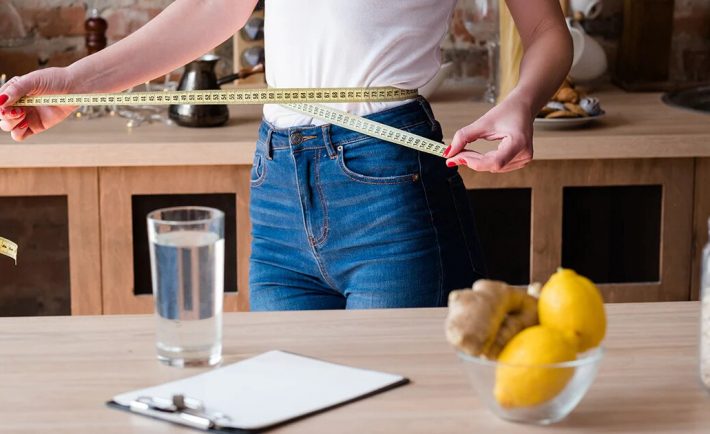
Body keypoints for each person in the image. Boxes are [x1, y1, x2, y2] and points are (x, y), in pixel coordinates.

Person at [0, 0, 572, 311]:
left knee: (396, 409)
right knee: (290, 406)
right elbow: (211, 9)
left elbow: (547, 28)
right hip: (277, 187)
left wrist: (522, 102)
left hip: (388, 178)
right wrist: (73, 83)